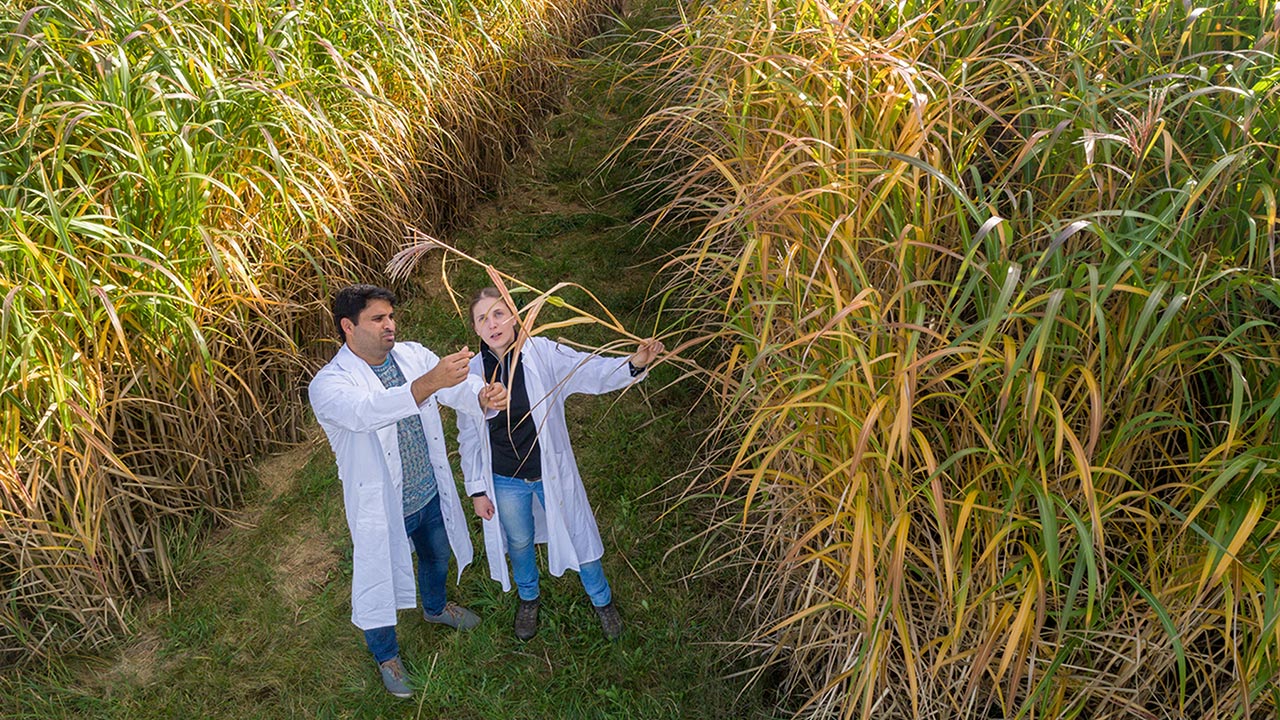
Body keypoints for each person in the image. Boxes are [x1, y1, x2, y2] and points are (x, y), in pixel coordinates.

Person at [308, 284, 508, 699]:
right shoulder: (329, 385)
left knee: (436, 555)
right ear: (348, 327)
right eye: (377, 319)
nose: (390, 325)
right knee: (377, 582)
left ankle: (435, 608)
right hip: (382, 508)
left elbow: (454, 389)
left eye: (391, 316)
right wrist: (427, 384)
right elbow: (366, 413)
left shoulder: (412, 355)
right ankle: (387, 656)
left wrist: (483, 394)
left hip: (428, 491)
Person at [457, 287, 664, 642]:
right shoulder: (473, 374)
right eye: (482, 319)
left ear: (514, 316)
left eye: (498, 313)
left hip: (549, 471)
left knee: (577, 532)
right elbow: (469, 438)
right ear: (475, 330)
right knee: (519, 541)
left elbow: (591, 371)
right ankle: (529, 597)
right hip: (506, 479)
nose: (492, 324)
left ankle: (602, 600)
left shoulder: (542, 353)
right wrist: (477, 489)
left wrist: (634, 364)